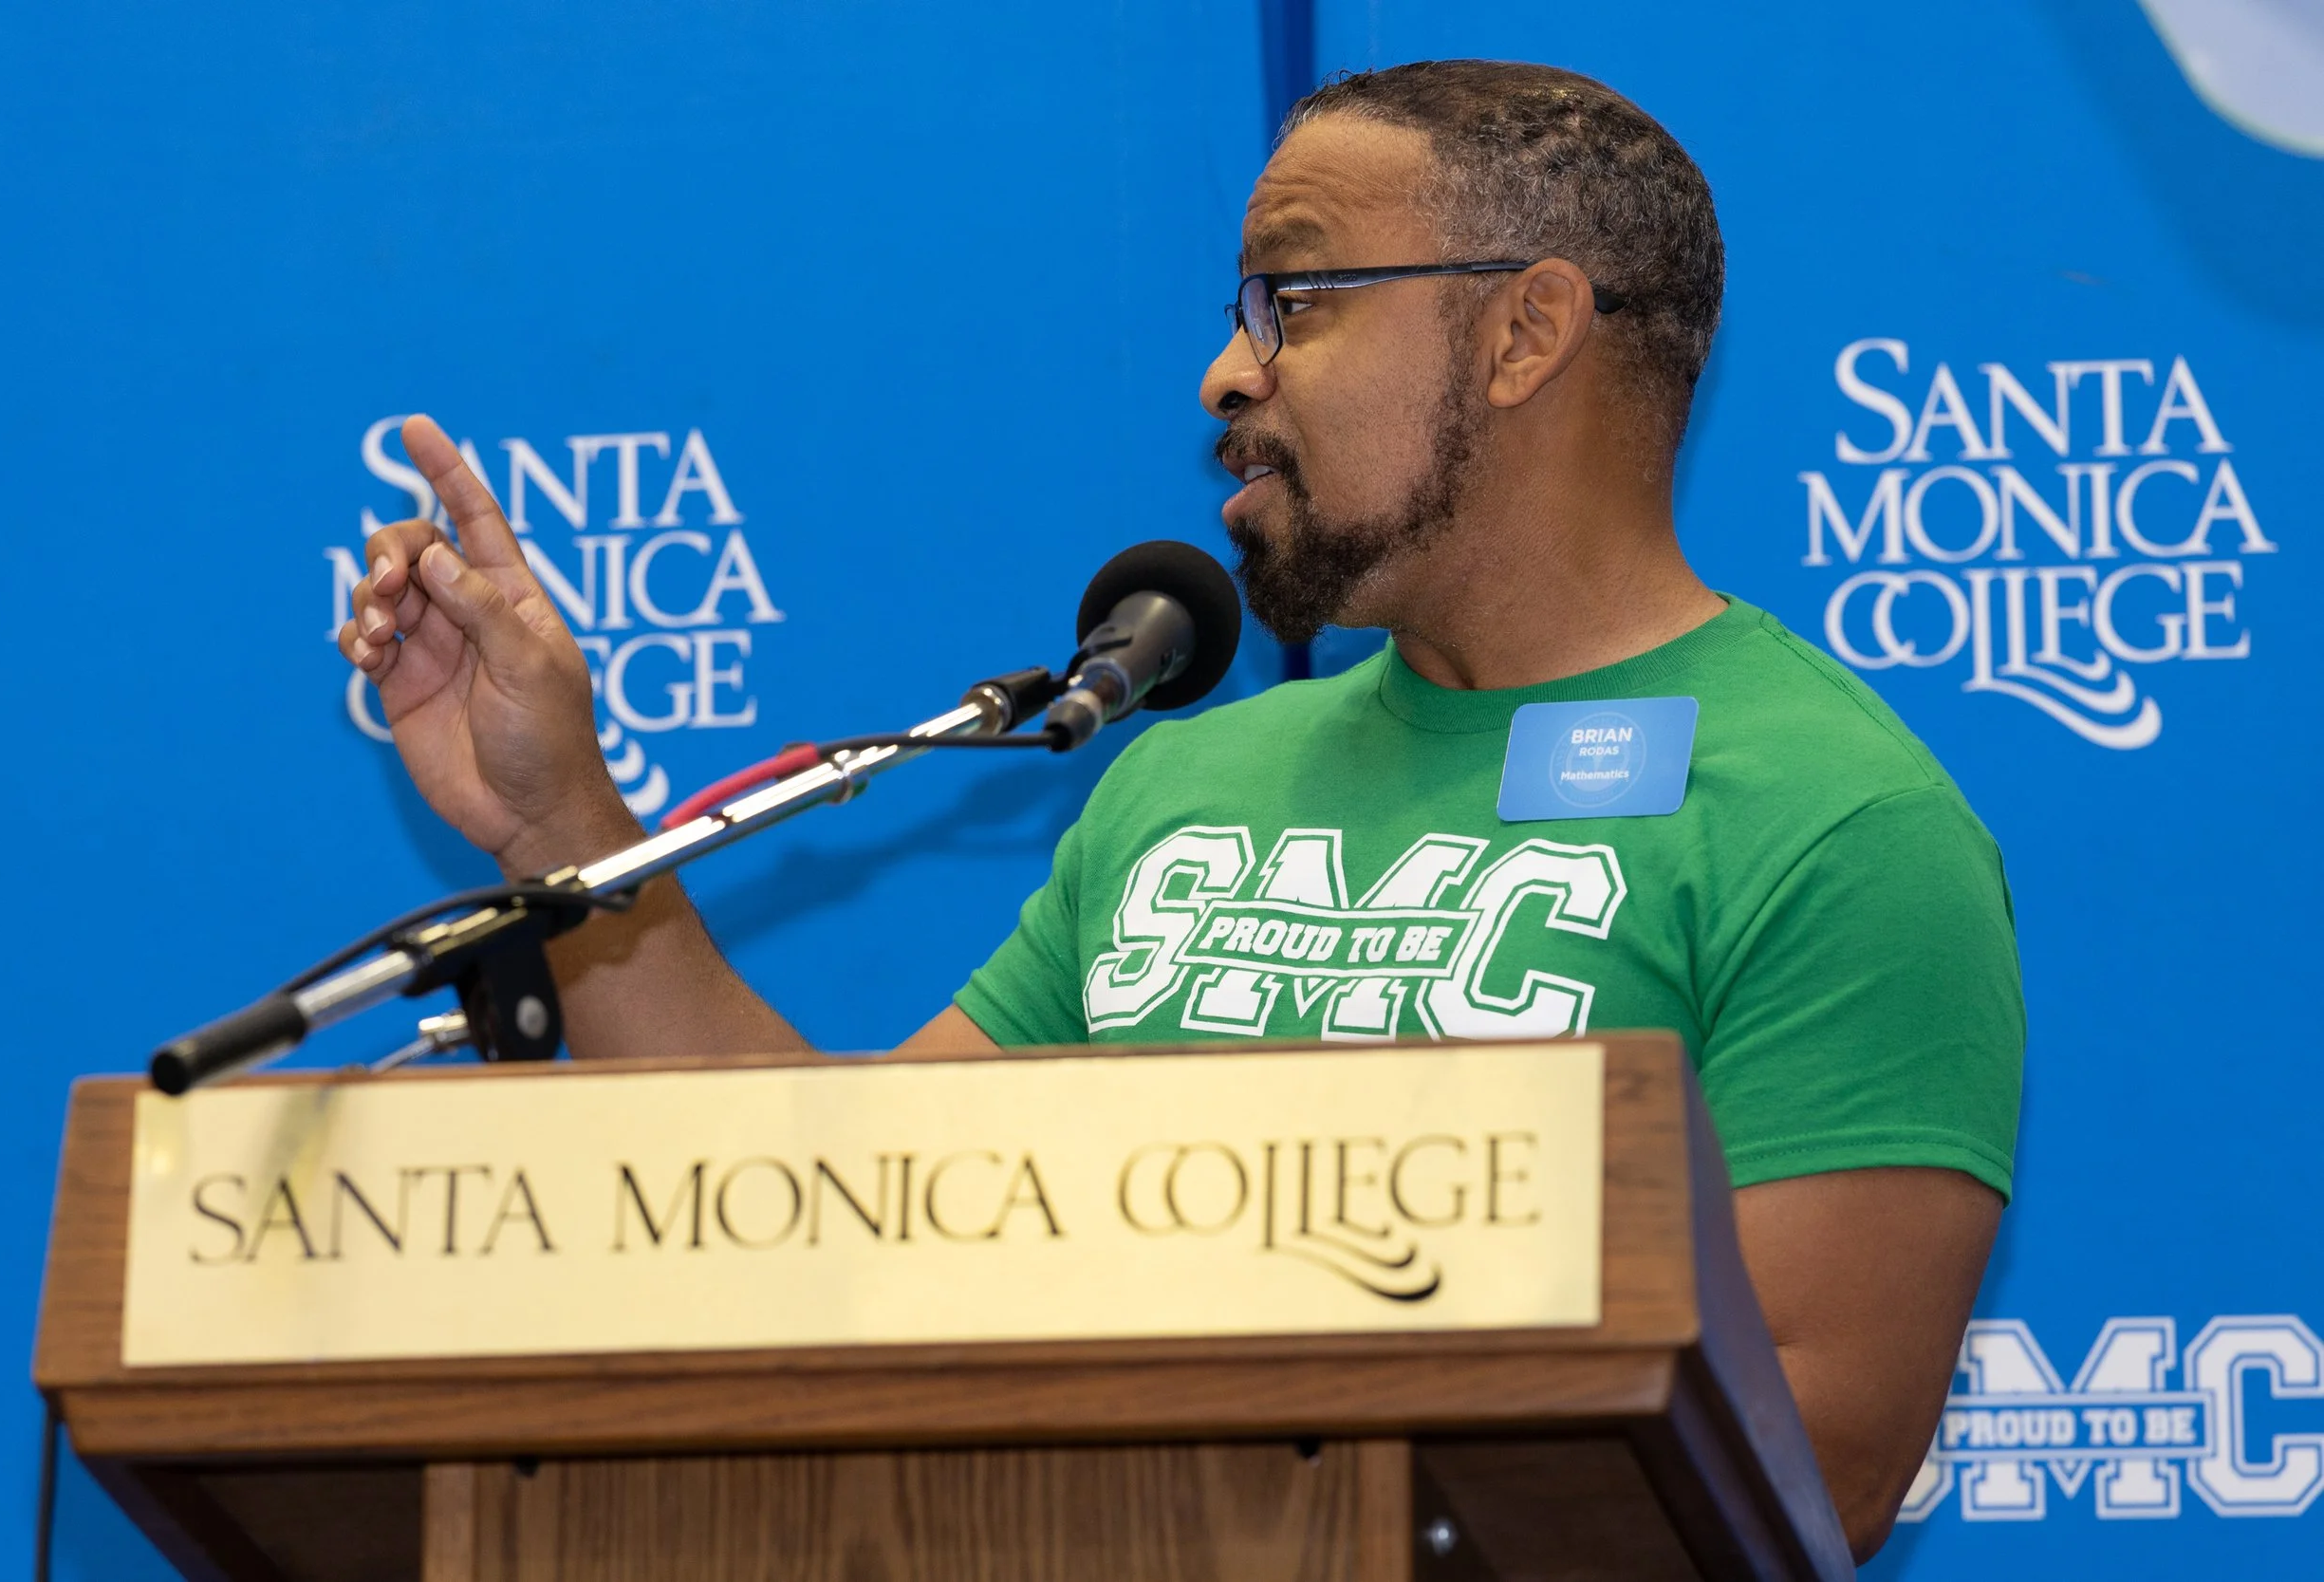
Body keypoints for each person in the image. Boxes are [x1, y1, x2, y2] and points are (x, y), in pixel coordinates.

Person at [337, 60, 2020, 1560]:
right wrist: (561, 816)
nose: (1227, 372)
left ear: (1525, 332)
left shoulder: (1833, 816)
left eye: (1297, 300)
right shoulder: (1187, 778)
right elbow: (826, 1218)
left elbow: (1822, 1457)